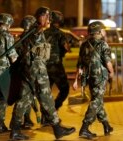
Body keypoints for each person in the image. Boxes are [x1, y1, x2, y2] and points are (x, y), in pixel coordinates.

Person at [9, 6, 75, 140]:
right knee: (47, 98)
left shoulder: (32, 32)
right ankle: (57, 128)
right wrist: (40, 26)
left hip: (29, 70)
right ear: (39, 16)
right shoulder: (36, 30)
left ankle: (15, 129)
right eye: (45, 15)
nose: (48, 18)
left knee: (24, 98)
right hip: (37, 70)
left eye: (49, 16)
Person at [73, 21, 114, 139]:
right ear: (99, 32)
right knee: (96, 101)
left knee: (97, 100)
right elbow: (107, 62)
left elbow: (80, 64)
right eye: (103, 30)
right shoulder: (103, 44)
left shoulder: (84, 45)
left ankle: (106, 125)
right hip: (100, 77)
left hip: (89, 77)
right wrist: (112, 72)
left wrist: (76, 80)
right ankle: (85, 128)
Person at [41, 10, 71, 125]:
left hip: (44, 66)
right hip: (56, 66)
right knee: (64, 89)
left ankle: (45, 117)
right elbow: (66, 48)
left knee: (46, 93)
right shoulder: (60, 34)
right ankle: (54, 110)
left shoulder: (43, 33)